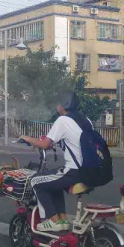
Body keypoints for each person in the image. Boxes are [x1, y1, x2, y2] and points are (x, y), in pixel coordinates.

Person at [19, 91, 88, 232]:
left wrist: (27, 138)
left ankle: (52, 220)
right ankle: (62, 220)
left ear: (62, 106)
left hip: (74, 171)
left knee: (36, 181)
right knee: (53, 182)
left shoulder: (63, 120)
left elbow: (44, 144)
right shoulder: (85, 121)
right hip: (90, 171)